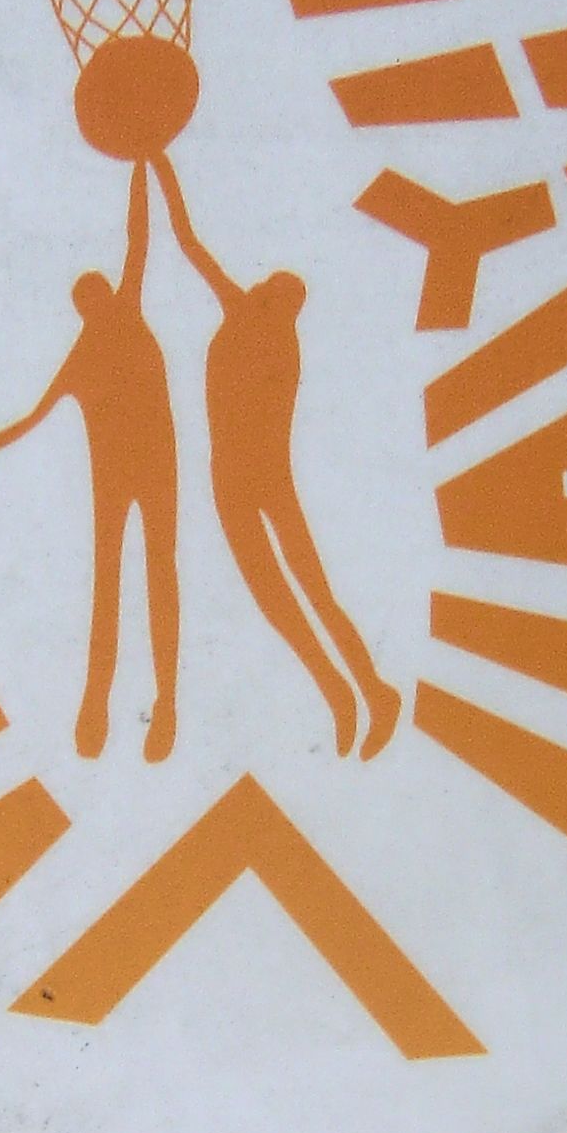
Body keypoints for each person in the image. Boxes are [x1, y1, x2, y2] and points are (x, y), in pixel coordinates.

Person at [152, 154, 398, 761]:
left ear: (279, 306)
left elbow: (192, 247)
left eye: (272, 293)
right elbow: (189, 244)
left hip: (261, 480)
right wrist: (158, 161)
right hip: (235, 480)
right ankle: (342, 693)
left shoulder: (264, 333)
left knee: (308, 590)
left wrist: (158, 160)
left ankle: (372, 691)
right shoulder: (251, 319)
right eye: (267, 289)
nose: (261, 290)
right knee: (277, 598)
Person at [0, 166, 179, 762]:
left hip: (150, 472)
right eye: (94, 297)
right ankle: (102, 705)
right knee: (126, 581)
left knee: (149, 577)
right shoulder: (100, 338)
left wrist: (141, 165)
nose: (101, 300)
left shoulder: (114, 323)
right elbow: (33, 417)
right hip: (129, 477)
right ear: (90, 305)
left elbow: (139, 240)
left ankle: (156, 705)